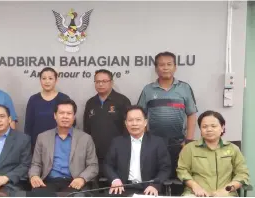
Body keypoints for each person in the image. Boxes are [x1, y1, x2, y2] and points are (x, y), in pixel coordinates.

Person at [137, 51, 198, 179]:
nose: (165, 68)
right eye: (161, 65)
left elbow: (191, 114)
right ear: (156, 69)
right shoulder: (148, 90)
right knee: (154, 178)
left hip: (178, 142)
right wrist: (143, 141)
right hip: (153, 143)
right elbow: (140, 116)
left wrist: (188, 141)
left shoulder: (184, 88)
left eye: (169, 64)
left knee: (177, 178)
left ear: (175, 67)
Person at [29, 99, 98, 194]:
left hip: (74, 182)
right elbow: (36, 164)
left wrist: (82, 178)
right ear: (55, 116)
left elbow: (93, 166)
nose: (65, 116)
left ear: (74, 117)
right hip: (49, 182)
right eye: (61, 113)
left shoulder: (85, 139)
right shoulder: (42, 137)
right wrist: (34, 176)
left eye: (69, 113)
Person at [177, 110, 249, 197]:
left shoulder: (233, 149)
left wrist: (226, 190)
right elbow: (182, 170)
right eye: (204, 126)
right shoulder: (189, 148)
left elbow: (242, 174)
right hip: (195, 194)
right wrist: (195, 186)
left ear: (222, 128)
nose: (209, 129)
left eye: (213, 126)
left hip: (226, 194)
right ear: (200, 129)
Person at [104, 105, 171, 196]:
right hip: (122, 188)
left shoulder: (157, 142)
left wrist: (155, 185)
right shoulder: (117, 142)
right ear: (126, 123)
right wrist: (115, 179)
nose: (134, 123)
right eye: (130, 120)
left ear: (145, 122)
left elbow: (165, 168)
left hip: (148, 189)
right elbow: (108, 165)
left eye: (138, 120)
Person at [83, 69, 131, 177]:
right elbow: (86, 129)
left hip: (117, 153)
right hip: (95, 154)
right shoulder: (90, 103)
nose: (100, 84)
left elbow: (128, 128)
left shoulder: (122, 101)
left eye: (104, 81)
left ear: (111, 82)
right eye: (97, 81)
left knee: (115, 185)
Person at [24, 67, 69, 150]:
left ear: (56, 80)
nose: (47, 81)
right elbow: (28, 127)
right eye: (44, 78)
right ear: (40, 80)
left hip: (60, 145)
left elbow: (70, 124)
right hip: (37, 146)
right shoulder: (33, 99)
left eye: (50, 78)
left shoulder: (64, 99)